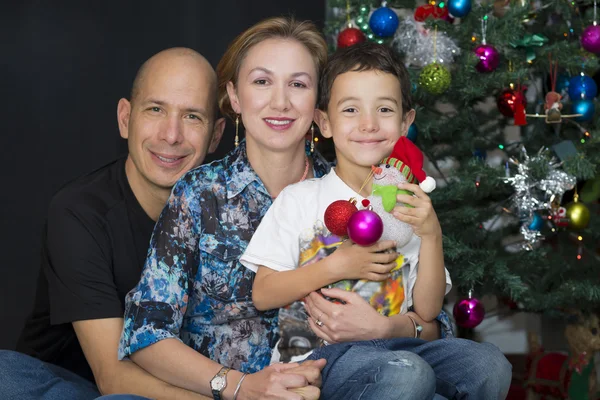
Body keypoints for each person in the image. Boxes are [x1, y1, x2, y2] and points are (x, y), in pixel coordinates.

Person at [241, 41, 512, 400]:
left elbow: (428, 311)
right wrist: (336, 265)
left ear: (405, 122)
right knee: (407, 374)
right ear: (325, 122)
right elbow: (262, 293)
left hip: (396, 342)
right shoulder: (301, 199)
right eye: (351, 109)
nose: (368, 124)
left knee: (489, 364)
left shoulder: (407, 204)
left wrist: (431, 235)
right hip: (320, 357)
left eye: (384, 109)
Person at [0, 48, 227, 400]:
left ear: (215, 135)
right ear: (125, 118)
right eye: (155, 109)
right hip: (71, 385)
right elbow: (113, 377)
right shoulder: (79, 212)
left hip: (189, 383)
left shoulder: (234, 211)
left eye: (192, 117)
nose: (171, 135)